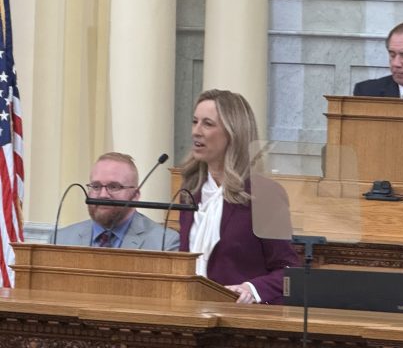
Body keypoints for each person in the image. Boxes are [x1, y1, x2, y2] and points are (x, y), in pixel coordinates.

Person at [178, 89, 299, 304]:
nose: (196, 131)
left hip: (238, 319)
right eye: (194, 122)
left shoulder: (264, 195)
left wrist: (251, 289)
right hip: (190, 314)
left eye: (208, 124)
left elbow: (288, 270)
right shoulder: (191, 191)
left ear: (233, 132)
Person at [52, 152, 180, 251]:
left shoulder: (164, 244)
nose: (103, 195)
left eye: (114, 187)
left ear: (135, 195)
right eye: (96, 186)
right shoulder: (60, 240)